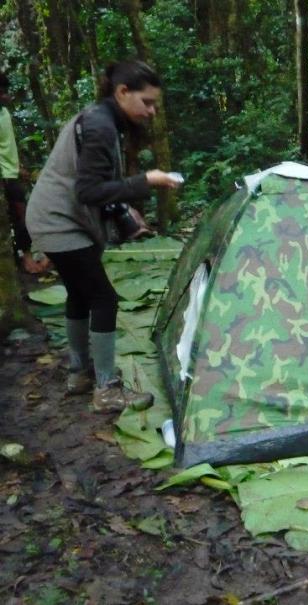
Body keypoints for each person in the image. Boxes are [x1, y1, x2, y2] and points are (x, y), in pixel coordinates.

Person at [25, 60, 179, 412]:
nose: (152, 111)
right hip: (60, 223)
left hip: (52, 219)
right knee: (104, 299)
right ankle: (106, 388)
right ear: (122, 92)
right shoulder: (100, 126)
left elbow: (96, 186)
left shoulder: (102, 118)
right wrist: (146, 182)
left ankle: (80, 374)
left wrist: (124, 211)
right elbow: (89, 190)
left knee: (80, 295)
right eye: (147, 102)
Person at [0, 72, 49, 274]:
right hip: (4, 177)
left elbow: (6, 145)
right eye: (2, 92)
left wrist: (18, 168)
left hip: (11, 173)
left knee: (23, 216)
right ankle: (26, 258)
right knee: (21, 216)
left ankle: (22, 256)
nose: (6, 96)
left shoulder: (4, 113)